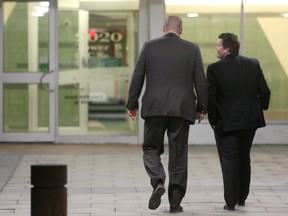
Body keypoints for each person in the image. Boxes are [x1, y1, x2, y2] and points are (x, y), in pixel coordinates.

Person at [126, 16, 208, 213]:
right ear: (181, 29)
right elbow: (200, 80)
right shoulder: (192, 49)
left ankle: (158, 181)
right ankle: (175, 202)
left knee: (151, 148)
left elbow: (138, 75)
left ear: (164, 28)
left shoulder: (149, 47)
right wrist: (202, 108)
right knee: (178, 156)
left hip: (154, 107)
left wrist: (132, 103)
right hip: (181, 108)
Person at [206, 33, 271, 211]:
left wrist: (213, 120)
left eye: (218, 45)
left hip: (226, 123)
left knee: (229, 160)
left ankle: (231, 201)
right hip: (249, 122)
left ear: (226, 48)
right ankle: (242, 197)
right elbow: (265, 92)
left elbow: (211, 99)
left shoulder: (214, 69)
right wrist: (261, 108)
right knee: (244, 157)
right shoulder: (253, 64)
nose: (216, 48)